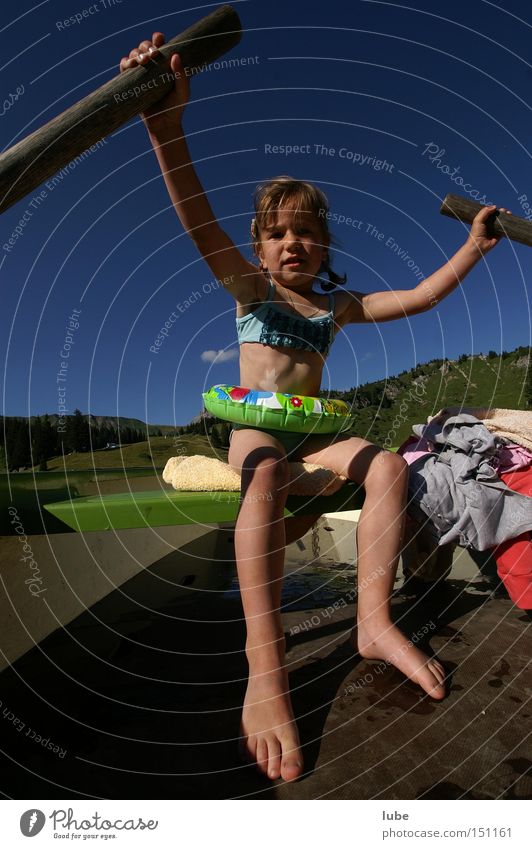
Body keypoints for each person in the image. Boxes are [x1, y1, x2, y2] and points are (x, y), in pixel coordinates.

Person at [120, 34, 511, 783]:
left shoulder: (339, 306)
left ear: (323, 242)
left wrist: (472, 248)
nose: (292, 240)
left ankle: (372, 622)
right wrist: (165, 129)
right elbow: (197, 218)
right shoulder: (250, 290)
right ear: (260, 250)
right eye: (278, 231)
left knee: (390, 465)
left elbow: (422, 296)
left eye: (306, 229)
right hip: (258, 429)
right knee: (264, 474)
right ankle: (264, 669)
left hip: (312, 437)